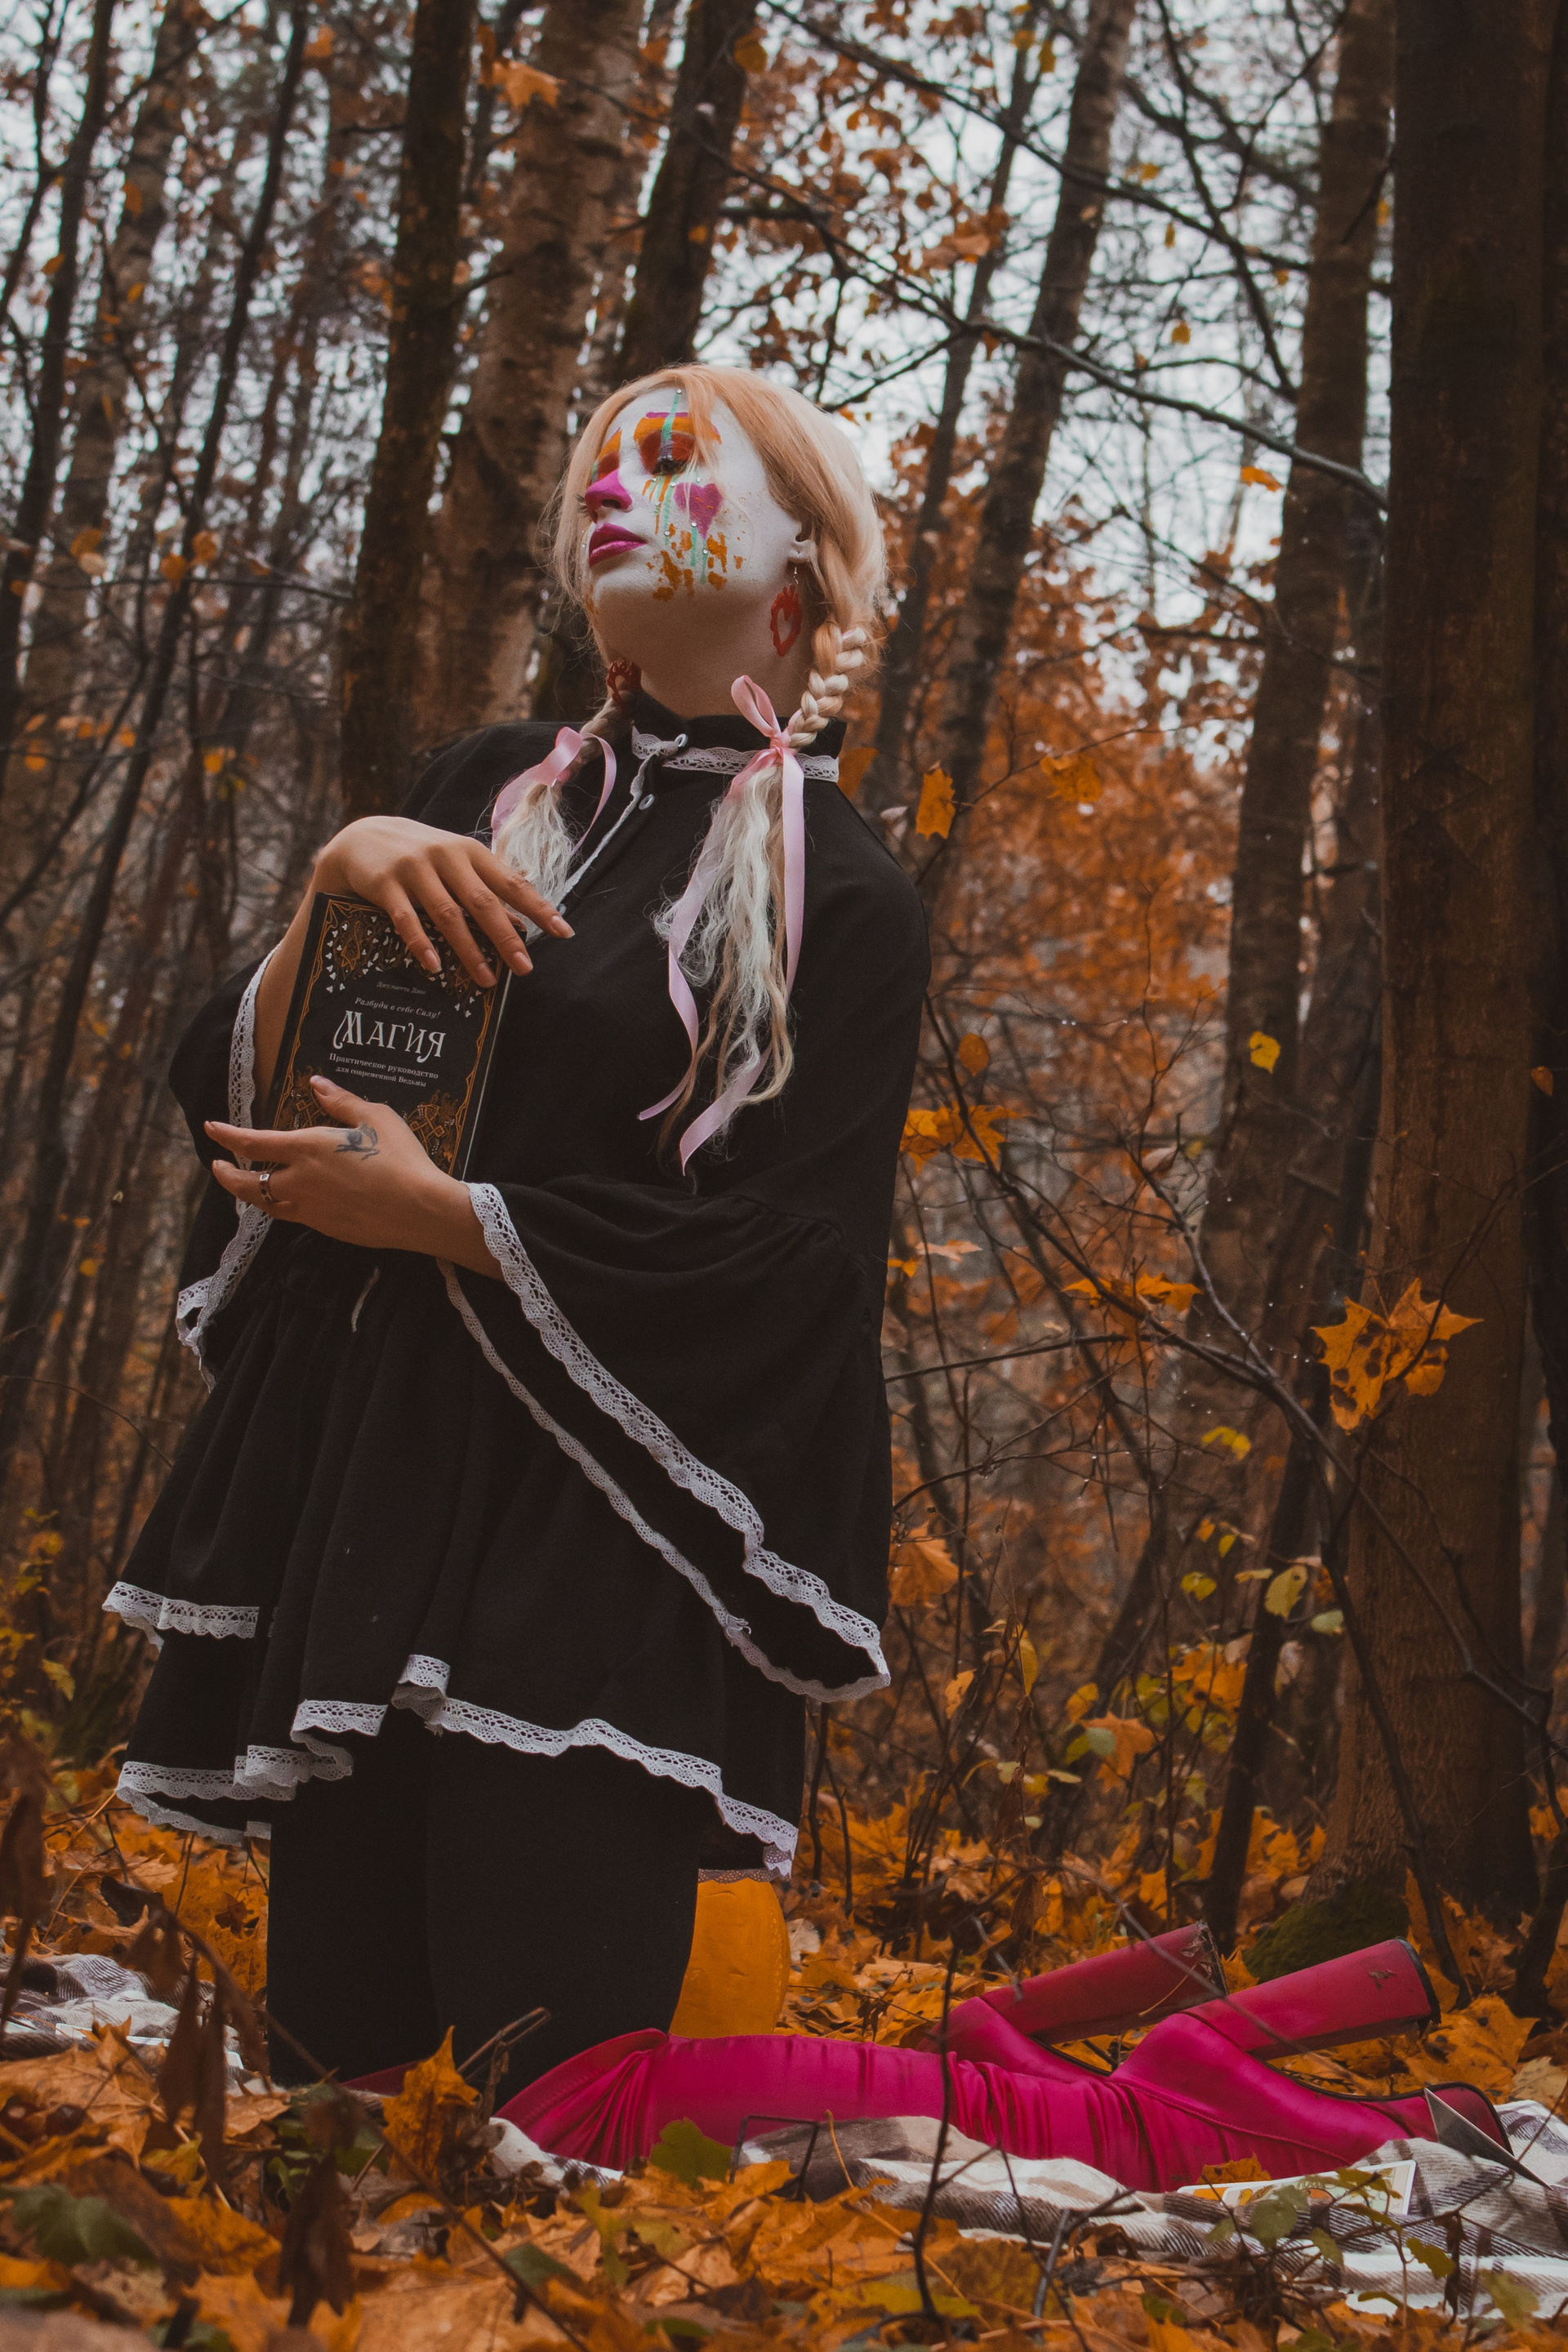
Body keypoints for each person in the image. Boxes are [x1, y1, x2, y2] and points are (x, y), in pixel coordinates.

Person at [106, 366, 929, 2095]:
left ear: (799, 564)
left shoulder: (837, 892)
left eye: (675, 460)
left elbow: (796, 1271)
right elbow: (267, 1092)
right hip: (382, 1491)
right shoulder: (485, 794)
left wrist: (453, 1219)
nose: (616, 488)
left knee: (542, 2098)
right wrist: (335, 879)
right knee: (336, 2082)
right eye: (601, 465)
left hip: (600, 1537)